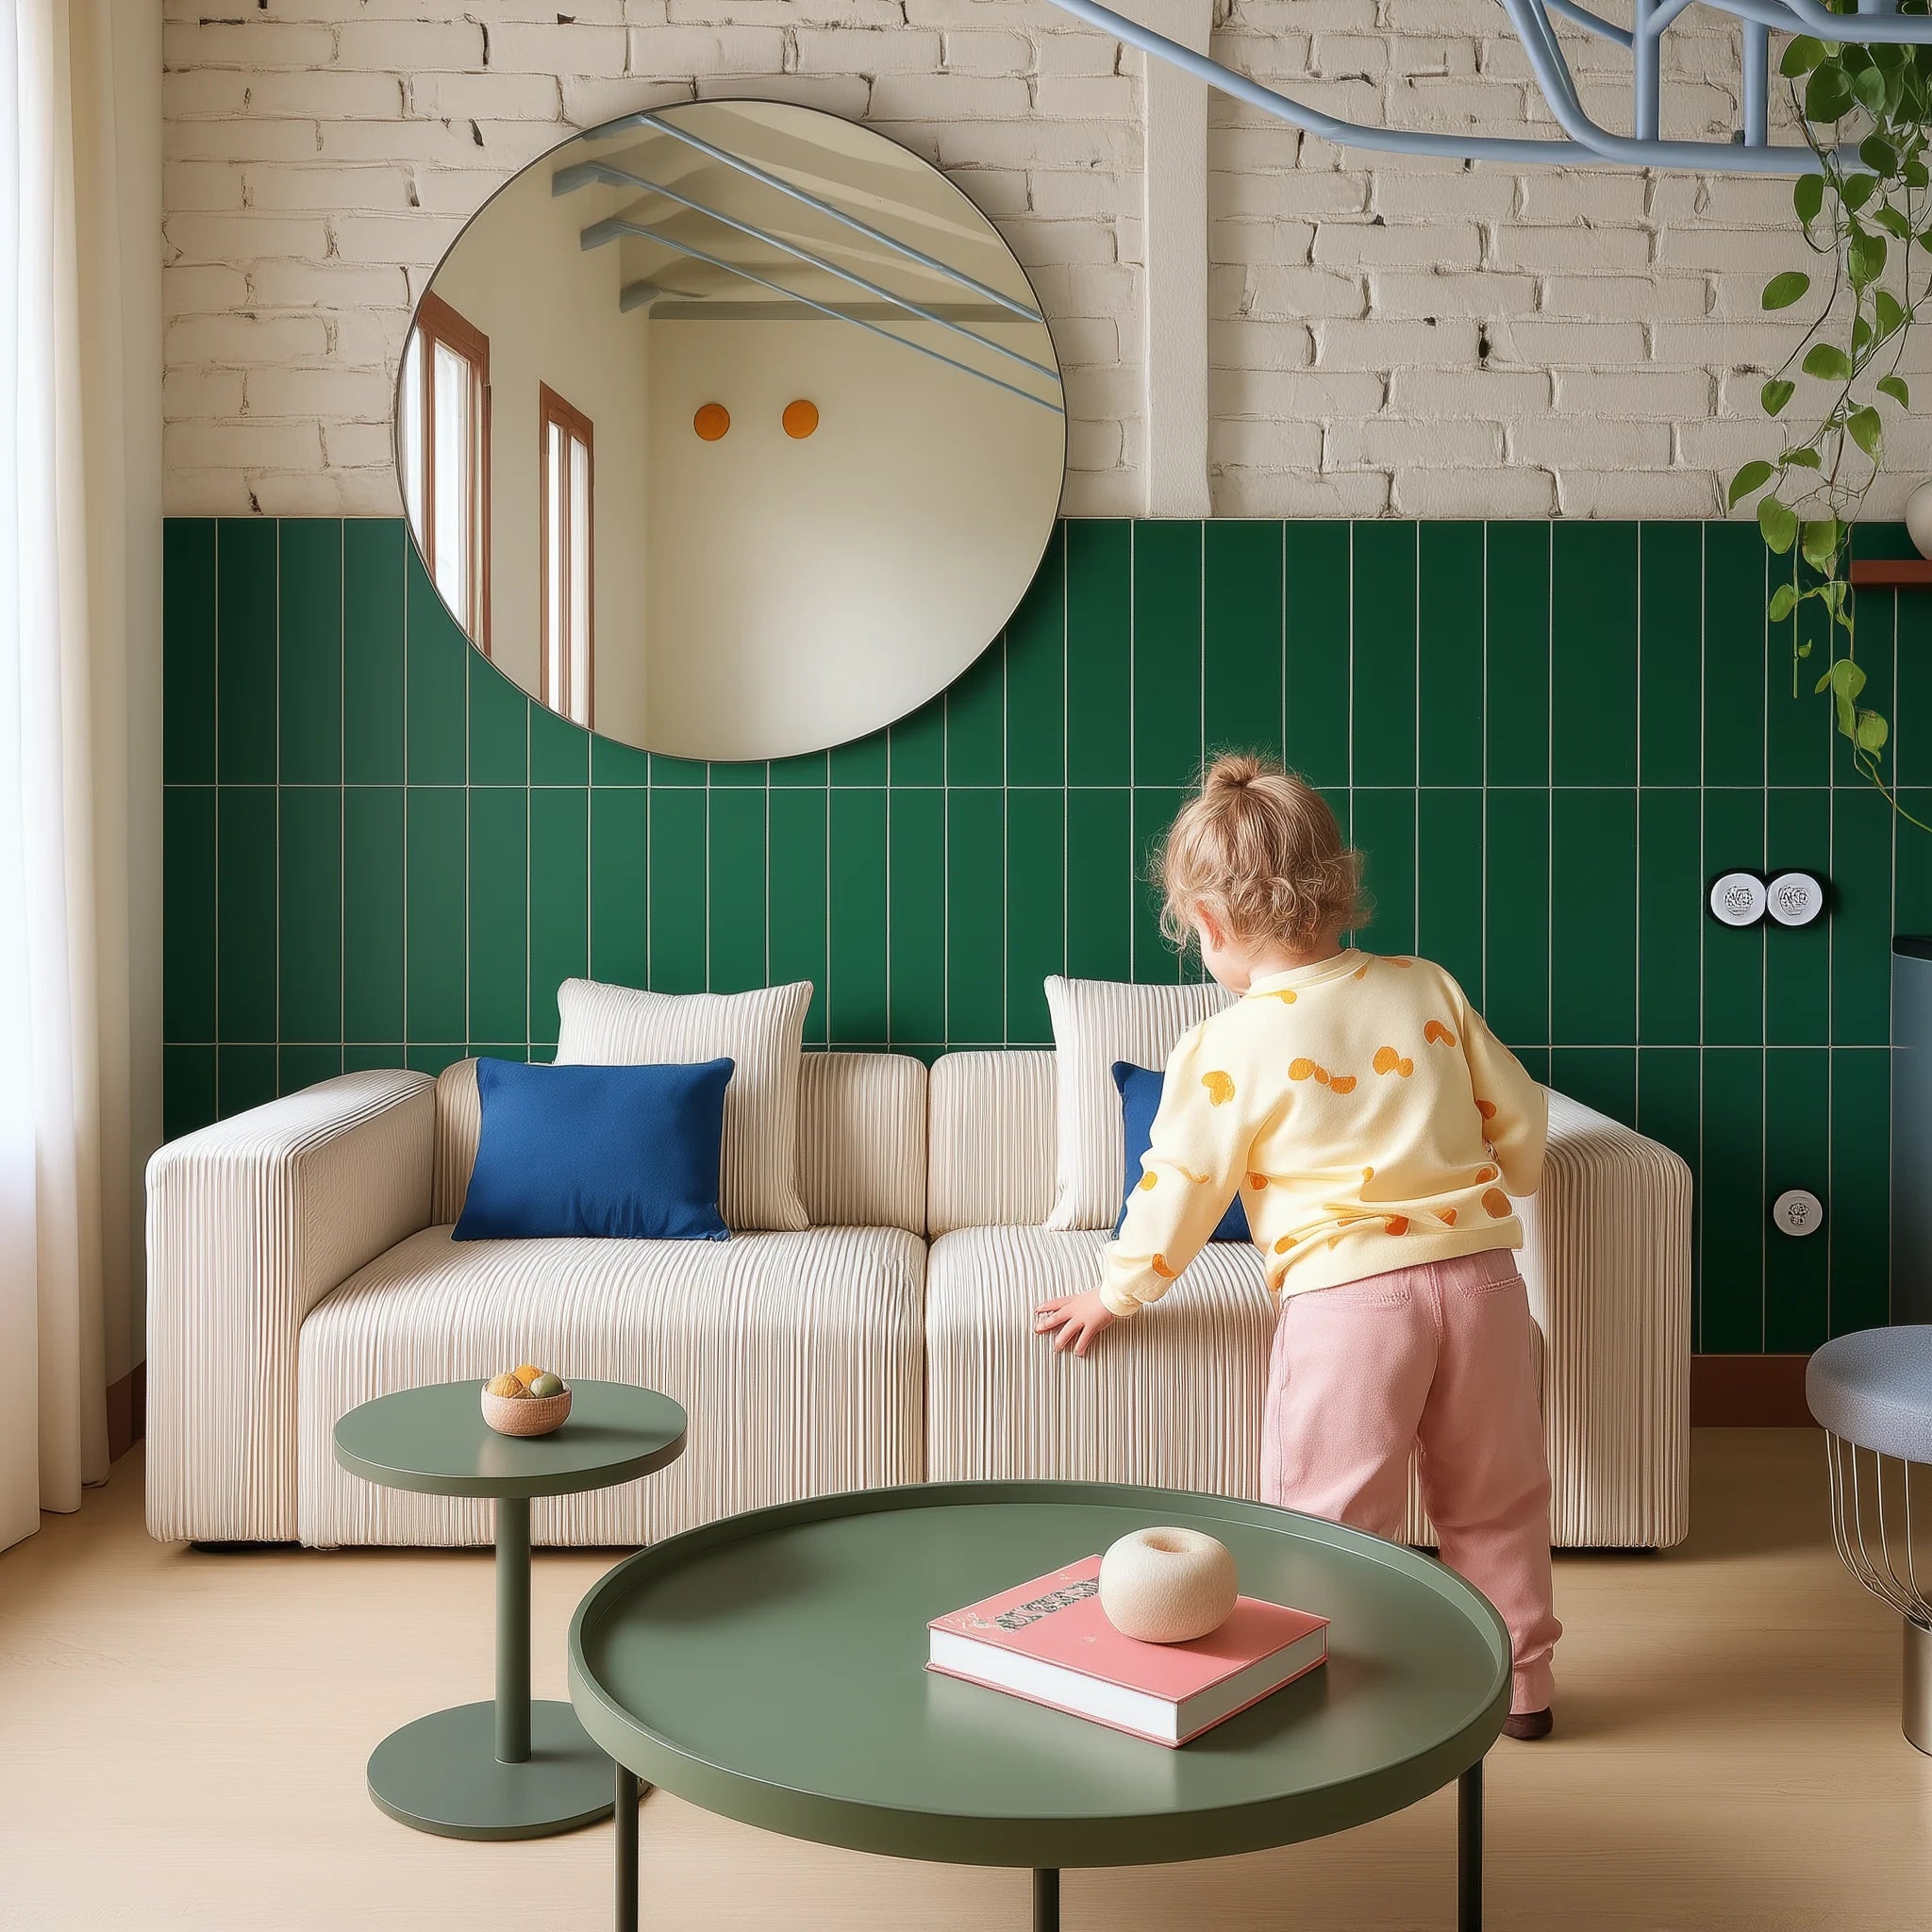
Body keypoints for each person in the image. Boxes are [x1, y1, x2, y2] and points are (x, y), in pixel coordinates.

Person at [1033, 753, 1559, 1738]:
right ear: (1333, 884)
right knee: (1496, 1500)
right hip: (1485, 1283)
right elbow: (1519, 1118)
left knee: (1327, 1515)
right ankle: (1521, 1688)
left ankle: (1337, 1688)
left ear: (1210, 923)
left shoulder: (1225, 1042)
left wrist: (1119, 1290)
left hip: (1351, 1304)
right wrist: (1514, 1173)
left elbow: (1178, 1183)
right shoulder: (1424, 987)